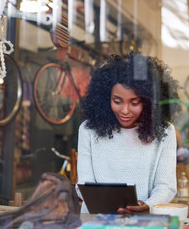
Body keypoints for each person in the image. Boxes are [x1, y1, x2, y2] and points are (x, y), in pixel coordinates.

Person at [75, 52, 181, 214]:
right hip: (94, 220)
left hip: (142, 221)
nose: (125, 110)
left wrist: (148, 205)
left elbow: (165, 186)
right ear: (105, 98)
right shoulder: (88, 130)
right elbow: (84, 184)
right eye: (117, 101)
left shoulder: (165, 132)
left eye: (134, 103)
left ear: (148, 102)